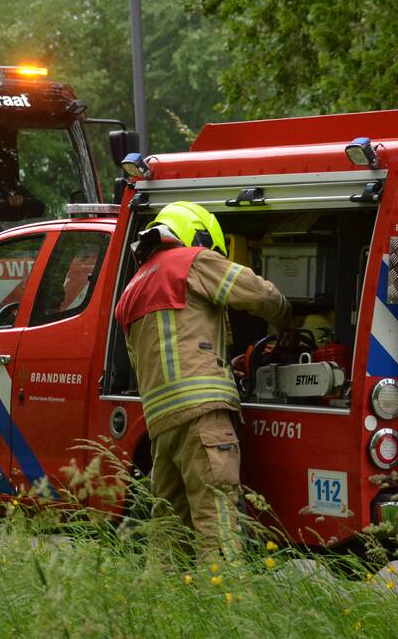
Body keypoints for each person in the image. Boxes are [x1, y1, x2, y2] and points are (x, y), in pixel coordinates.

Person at [114, 201, 291, 562]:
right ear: (197, 236)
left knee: (167, 530)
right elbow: (259, 294)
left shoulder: (131, 289)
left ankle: (167, 608)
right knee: (218, 522)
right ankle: (226, 603)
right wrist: (291, 320)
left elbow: (153, 358)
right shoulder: (191, 261)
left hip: (161, 428)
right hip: (203, 419)